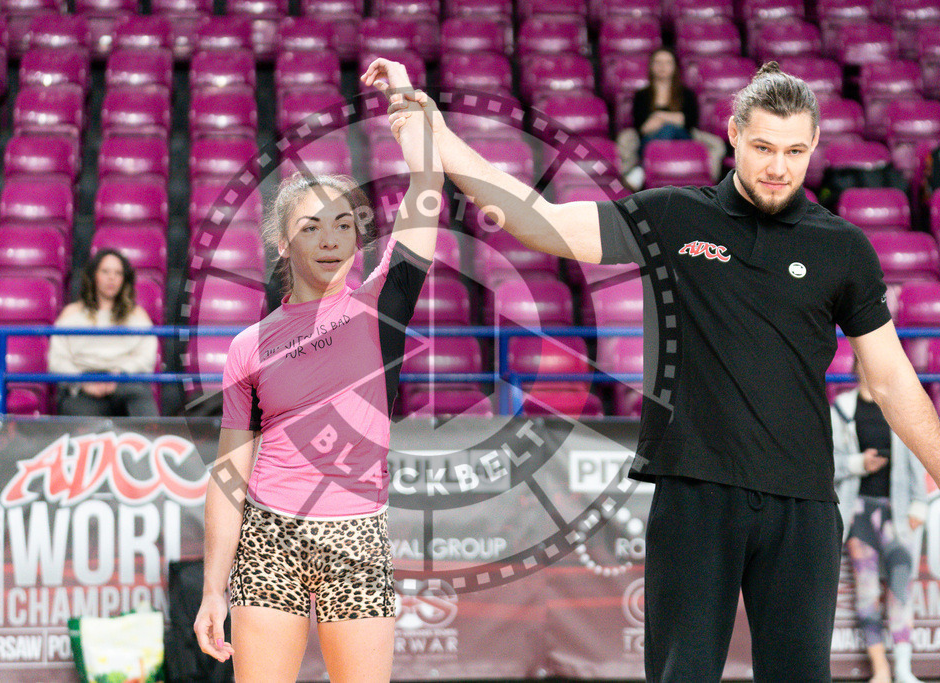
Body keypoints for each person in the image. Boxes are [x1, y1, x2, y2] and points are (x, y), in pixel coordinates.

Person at [378, 57, 940, 681]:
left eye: (795, 151)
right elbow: (543, 221)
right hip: (694, 496)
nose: (779, 167)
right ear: (731, 134)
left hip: (802, 506)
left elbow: (890, 381)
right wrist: (435, 132)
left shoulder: (843, 248)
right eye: (762, 147)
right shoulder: (675, 216)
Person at [192, 62, 442, 683]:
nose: (330, 237)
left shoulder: (382, 306)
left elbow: (427, 192)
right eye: (311, 226)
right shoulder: (248, 345)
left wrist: (407, 102)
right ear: (282, 243)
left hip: (357, 539)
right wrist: (212, 590)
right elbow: (228, 475)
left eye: (343, 224)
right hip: (269, 540)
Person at [834, 358, 927, 683]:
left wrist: (920, 503)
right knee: (866, 590)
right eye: (865, 363)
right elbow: (827, 460)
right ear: (856, 367)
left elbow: (918, 452)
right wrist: (859, 463)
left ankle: (903, 668)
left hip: (898, 513)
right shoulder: (843, 408)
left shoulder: (898, 407)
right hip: (859, 512)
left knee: (902, 586)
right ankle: (881, 671)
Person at [48, 248, 159, 417]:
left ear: (124, 279)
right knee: (81, 419)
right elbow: (57, 360)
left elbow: (146, 357)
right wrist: (83, 382)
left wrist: (119, 375)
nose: (111, 278)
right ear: (94, 276)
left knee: (143, 406)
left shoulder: (137, 315)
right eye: (105, 271)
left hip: (125, 381)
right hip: (83, 385)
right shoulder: (71, 314)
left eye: (118, 273)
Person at [618, 47, 724, 190]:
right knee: (666, 129)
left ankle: (642, 169)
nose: (663, 67)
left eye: (668, 62)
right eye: (658, 62)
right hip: (649, 139)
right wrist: (674, 118)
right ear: (651, 66)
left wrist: (659, 116)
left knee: (669, 129)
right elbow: (642, 128)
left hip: (683, 139)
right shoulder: (642, 95)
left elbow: (689, 123)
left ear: (674, 67)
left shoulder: (686, 94)